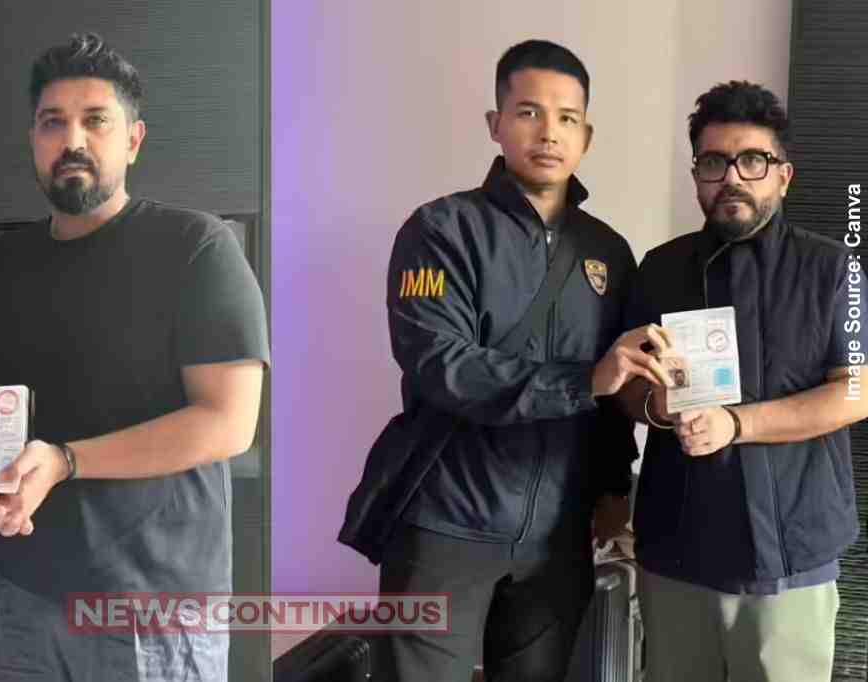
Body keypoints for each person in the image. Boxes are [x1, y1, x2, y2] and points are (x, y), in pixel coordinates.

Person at [0, 34, 268, 681]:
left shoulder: (196, 249)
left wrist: (65, 461)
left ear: (133, 139)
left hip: (153, 609)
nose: (73, 139)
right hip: (18, 598)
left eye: (96, 120)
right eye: (52, 122)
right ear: (33, 141)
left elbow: (228, 423)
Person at [363, 40, 670, 681]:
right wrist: (581, 381)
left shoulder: (609, 252)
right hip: (446, 522)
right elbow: (440, 364)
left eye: (567, 117)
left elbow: (616, 393)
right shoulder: (441, 229)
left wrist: (615, 489)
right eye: (529, 112)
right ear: (495, 124)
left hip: (558, 536)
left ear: (586, 135)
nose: (549, 132)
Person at [619, 81, 868, 682]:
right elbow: (626, 388)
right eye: (713, 162)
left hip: (794, 552)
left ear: (783, 175)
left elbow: (857, 390)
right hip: (676, 548)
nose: (732, 177)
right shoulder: (659, 268)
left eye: (752, 160)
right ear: (696, 175)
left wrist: (736, 423)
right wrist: (656, 407)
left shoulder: (837, 269)